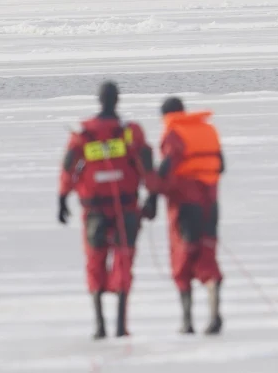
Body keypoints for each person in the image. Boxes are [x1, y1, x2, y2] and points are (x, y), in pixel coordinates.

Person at [58, 81, 155, 339]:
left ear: (99, 100)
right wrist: (153, 197)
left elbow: (68, 167)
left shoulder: (83, 133)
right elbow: (146, 164)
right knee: (123, 262)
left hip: (95, 211)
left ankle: (100, 326)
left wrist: (62, 197)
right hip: (126, 209)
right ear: (117, 100)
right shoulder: (130, 132)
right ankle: (121, 326)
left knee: (95, 263)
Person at [142, 97, 225, 335]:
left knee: (183, 259)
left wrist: (152, 198)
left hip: (185, 206)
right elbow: (221, 166)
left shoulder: (174, 134)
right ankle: (214, 310)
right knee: (206, 254)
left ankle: (187, 322)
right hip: (211, 205)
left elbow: (166, 168)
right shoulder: (208, 130)